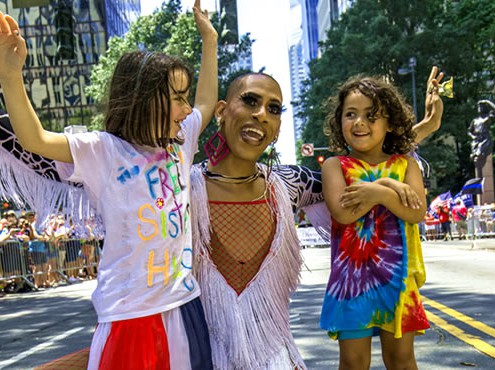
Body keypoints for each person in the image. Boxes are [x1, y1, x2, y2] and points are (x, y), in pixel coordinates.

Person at [0, 59, 443, 368]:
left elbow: (363, 160)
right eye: (250, 101)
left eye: (274, 109)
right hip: (198, 354)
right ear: (220, 112)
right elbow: (38, 148)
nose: (261, 116)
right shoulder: (176, 185)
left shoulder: (290, 185)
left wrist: (415, 130)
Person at [0, 1, 218, 368]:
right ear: (146, 99)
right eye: (177, 98)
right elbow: (35, 138)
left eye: (185, 98)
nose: (186, 109)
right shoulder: (103, 150)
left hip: (184, 305)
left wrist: (209, 40)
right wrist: (10, 77)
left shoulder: (182, 143)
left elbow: (207, 101)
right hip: (129, 316)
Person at [320, 75, 430, 369]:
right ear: (339, 121)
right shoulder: (334, 166)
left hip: (398, 281)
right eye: (350, 114)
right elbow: (344, 212)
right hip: (351, 282)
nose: (359, 123)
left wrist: (375, 191)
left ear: (390, 123)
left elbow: (416, 212)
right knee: (353, 363)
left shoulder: (407, 165)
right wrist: (386, 188)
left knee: (402, 360)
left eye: (371, 115)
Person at [468, 100, 495, 170]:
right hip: (476, 139)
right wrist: (473, 136)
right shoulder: (475, 120)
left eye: (482, 106)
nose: (480, 108)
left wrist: (487, 102)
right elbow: (469, 131)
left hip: (485, 138)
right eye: (479, 106)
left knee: (480, 150)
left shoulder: (488, 117)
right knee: (475, 154)